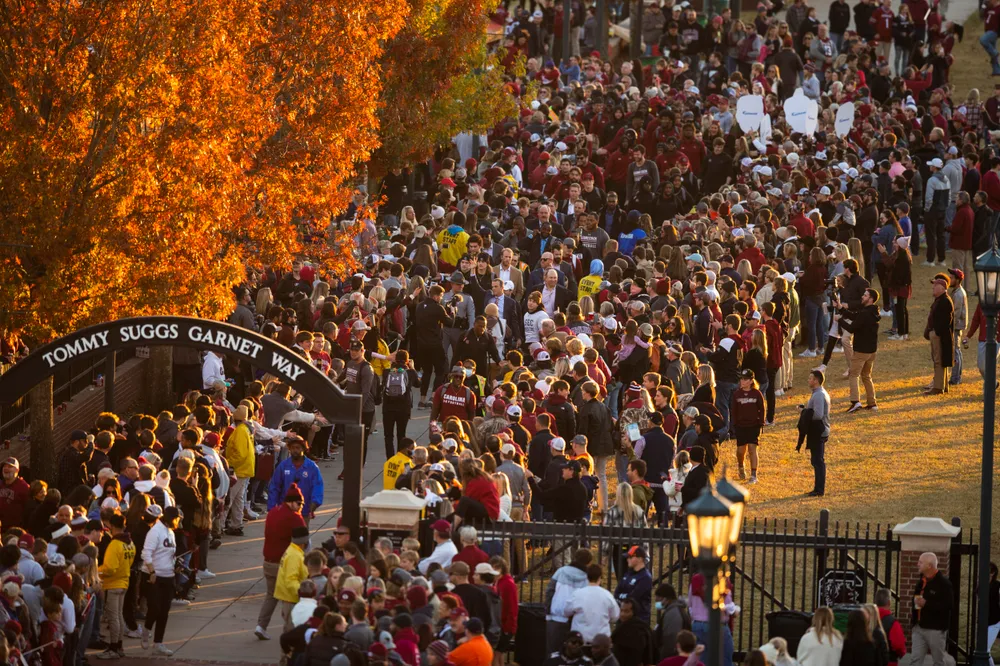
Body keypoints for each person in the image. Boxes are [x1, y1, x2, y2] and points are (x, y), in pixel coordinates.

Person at [256, 483, 306, 640]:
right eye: (299, 504)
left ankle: (261, 625)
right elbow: (304, 541)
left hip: (268, 562)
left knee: (271, 595)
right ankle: (290, 631)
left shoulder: (272, 513)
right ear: (291, 502)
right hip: (283, 564)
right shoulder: (294, 518)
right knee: (290, 598)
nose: (300, 507)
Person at [141, 505, 181, 656]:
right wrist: (151, 571)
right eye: (177, 519)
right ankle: (146, 629)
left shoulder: (171, 532)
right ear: (172, 518)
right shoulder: (155, 531)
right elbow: (146, 553)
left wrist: (175, 565)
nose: (178, 521)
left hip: (168, 575)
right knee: (155, 607)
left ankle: (158, 643)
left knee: (164, 611)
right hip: (154, 576)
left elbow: (169, 553)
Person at [836, 288, 881, 413]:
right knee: (866, 376)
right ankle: (872, 403)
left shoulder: (865, 313)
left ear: (870, 299)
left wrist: (839, 320)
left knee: (853, 375)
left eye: (865, 295)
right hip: (871, 351)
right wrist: (841, 308)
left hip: (861, 351)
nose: (862, 296)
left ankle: (855, 402)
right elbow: (855, 316)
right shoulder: (871, 312)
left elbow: (851, 328)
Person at [97, 512, 134, 660]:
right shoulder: (130, 543)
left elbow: (109, 568)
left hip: (113, 584)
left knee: (113, 617)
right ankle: (119, 645)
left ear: (111, 526)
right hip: (124, 582)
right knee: (119, 615)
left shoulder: (114, 544)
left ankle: (113, 647)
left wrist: (97, 571)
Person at [544, 548, 592, 654]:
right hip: (576, 620)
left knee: (553, 653)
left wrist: (548, 611)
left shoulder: (561, 571)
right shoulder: (587, 578)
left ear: (574, 558)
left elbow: (549, 591)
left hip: (556, 616)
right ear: (588, 562)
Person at [267, 436, 323, 526]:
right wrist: (272, 508)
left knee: (301, 538)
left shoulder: (312, 467)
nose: (295, 450)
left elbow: (317, 486)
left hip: (304, 511)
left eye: (298, 448)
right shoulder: (283, 466)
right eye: (292, 448)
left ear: (303, 449)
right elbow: (274, 487)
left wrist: (314, 504)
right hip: (285, 510)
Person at [911, 552, 953, 666]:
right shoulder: (921, 582)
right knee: (915, 660)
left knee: (938, 662)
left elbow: (948, 606)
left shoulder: (944, 584)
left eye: (920, 562)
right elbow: (917, 602)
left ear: (929, 565)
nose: (917, 564)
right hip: (919, 628)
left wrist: (927, 604)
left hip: (935, 630)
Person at [564, 563, 619, 644]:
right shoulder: (607, 595)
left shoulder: (577, 594)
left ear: (587, 576)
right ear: (600, 577)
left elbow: (566, 611)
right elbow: (615, 616)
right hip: (601, 639)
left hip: (580, 638)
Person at [796, 370, 830, 497]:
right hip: (819, 430)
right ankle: (817, 488)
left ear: (816, 380)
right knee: (816, 460)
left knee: (818, 461)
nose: (808, 380)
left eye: (810, 378)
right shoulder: (818, 394)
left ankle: (819, 489)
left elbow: (818, 415)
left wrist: (803, 411)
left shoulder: (819, 395)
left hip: (819, 431)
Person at [730, 369, 765, 483]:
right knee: (741, 450)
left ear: (751, 381)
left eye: (745, 379)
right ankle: (741, 466)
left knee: (752, 448)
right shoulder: (737, 394)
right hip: (741, 426)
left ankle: (754, 474)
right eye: (741, 379)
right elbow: (733, 410)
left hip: (754, 425)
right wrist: (735, 424)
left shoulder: (757, 394)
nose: (742, 381)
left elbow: (762, 409)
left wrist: (760, 423)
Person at [274, 526, 311, 633]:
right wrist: (304, 593)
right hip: (292, 599)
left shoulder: (294, 551)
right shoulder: (294, 555)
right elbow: (291, 581)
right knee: (292, 630)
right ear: (304, 541)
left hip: (291, 598)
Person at [925, 278, 955, 395]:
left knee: (938, 361)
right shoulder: (941, 300)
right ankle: (943, 385)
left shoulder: (944, 301)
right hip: (939, 334)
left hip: (939, 335)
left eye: (935, 286)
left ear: (942, 288)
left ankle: (938, 387)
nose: (933, 288)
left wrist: (936, 332)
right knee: (940, 360)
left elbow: (945, 321)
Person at [613, 545, 653, 624]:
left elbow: (634, 598)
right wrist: (625, 596)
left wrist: (622, 596)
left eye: (630, 557)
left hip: (639, 620)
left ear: (640, 558)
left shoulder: (645, 577)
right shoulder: (628, 574)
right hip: (624, 619)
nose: (627, 559)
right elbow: (616, 593)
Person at [610, 599, 655, 666]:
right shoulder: (621, 628)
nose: (623, 614)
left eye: (626, 611)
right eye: (621, 611)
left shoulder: (640, 629)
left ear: (634, 612)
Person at [654, 583, 691, 660]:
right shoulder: (675, 610)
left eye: (658, 599)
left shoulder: (673, 614)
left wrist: (663, 658)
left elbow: (671, 639)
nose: (656, 602)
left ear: (666, 599)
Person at [874, 588, 906, 666]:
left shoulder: (867, 618)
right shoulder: (892, 622)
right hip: (889, 661)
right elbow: (898, 645)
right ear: (889, 602)